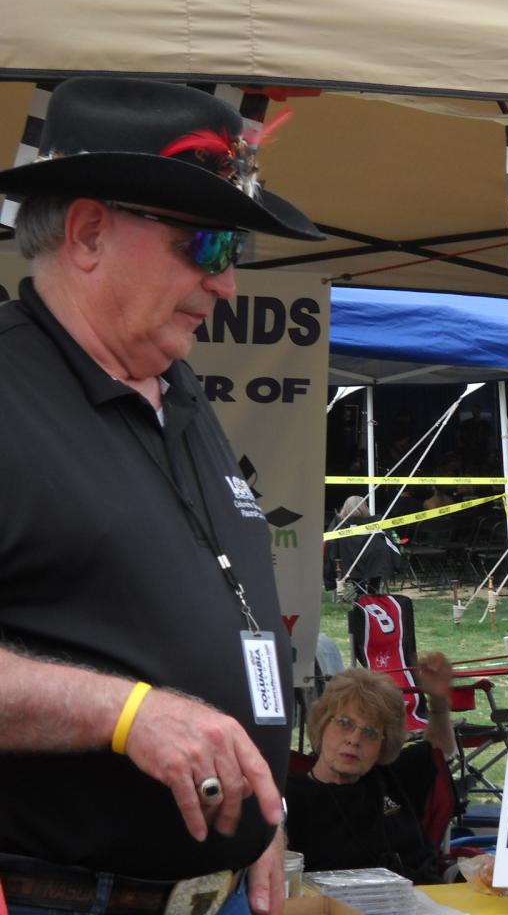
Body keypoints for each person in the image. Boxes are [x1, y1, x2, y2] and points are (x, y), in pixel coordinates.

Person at [0, 77, 323, 915]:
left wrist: (259, 806)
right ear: (88, 233)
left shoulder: (176, 392)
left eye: (237, 251)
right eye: (208, 245)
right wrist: (126, 714)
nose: (228, 284)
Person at [284, 657, 456, 882]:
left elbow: (439, 749)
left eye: (370, 733)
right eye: (345, 723)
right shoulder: (289, 799)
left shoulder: (393, 775)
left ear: (384, 744)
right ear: (323, 723)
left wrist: (439, 701)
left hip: (424, 894)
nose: (355, 739)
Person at [329, 495, 403, 596]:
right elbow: (390, 541)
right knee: (378, 560)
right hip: (375, 564)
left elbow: (331, 544)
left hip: (350, 564)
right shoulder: (377, 522)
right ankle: (373, 592)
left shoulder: (340, 524)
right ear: (364, 507)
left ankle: (360, 593)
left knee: (354, 565)